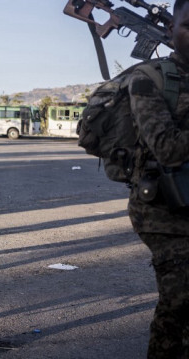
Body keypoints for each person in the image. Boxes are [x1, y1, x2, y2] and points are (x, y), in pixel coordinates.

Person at [127, 1, 189, 357]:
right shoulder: (149, 78)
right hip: (163, 210)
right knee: (179, 302)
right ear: (170, 30)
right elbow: (168, 148)